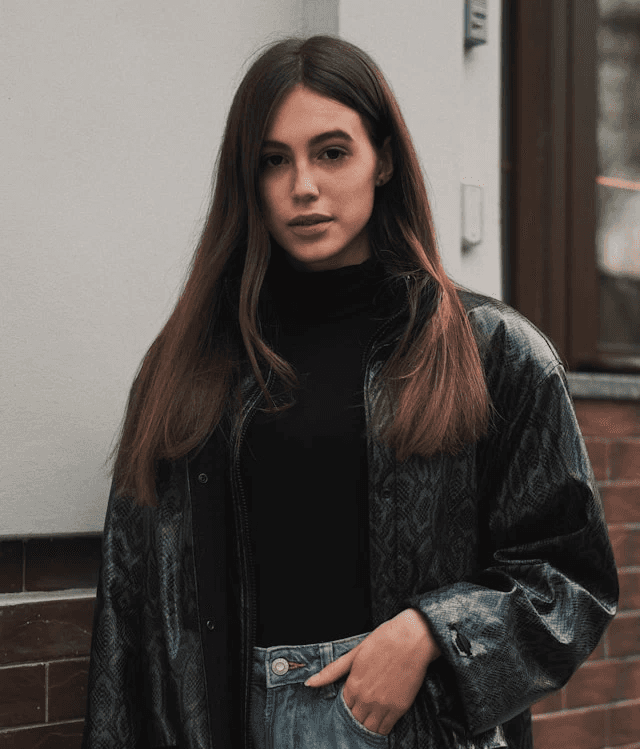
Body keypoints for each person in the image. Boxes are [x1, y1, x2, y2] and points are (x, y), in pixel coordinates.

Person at [82, 35, 619, 749]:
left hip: (411, 718)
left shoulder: (490, 350)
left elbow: (573, 578)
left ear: (383, 160)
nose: (303, 185)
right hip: (232, 722)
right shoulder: (190, 366)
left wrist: (433, 630)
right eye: (275, 160)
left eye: (332, 152)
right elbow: (129, 609)